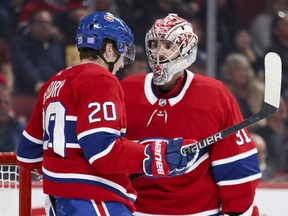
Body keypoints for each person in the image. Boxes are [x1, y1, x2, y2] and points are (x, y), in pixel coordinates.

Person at [16, 12, 196, 216]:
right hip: (95, 203)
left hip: (58, 204)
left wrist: (63, 172)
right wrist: (157, 155)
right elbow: (103, 151)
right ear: (109, 49)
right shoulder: (101, 80)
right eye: (122, 54)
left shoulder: (53, 83)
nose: (121, 65)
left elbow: (26, 155)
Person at [121, 13, 261, 215]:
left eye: (168, 46)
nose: (158, 53)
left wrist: (236, 211)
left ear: (186, 49)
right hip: (137, 210)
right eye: (153, 44)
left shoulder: (214, 95)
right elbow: (108, 154)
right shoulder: (126, 90)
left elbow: (236, 164)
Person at [0, 83, 25, 152]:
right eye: (0, 102)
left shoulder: (18, 126)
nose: (3, 107)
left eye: (6, 103)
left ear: (10, 105)